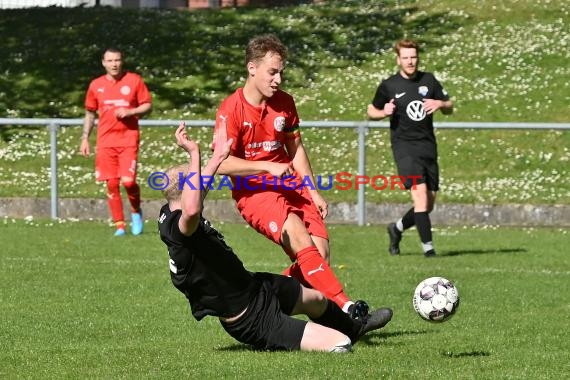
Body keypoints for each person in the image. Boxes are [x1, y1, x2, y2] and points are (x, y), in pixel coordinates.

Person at [158, 121, 393, 352]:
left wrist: (218, 157)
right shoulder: (183, 227)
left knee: (317, 299)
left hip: (258, 288)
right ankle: (300, 334)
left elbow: (196, 195)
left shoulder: (171, 212)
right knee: (339, 344)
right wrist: (194, 154)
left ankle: (355, 327)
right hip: (250, 318)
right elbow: (192, 207)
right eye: (195, 178)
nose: (201, 181)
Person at [213, 34, 368, 318]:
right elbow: (220, 164)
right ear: (252, 68)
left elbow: (296, 149)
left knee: (318, 256)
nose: (278, 79)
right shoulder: (230, 110)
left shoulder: (285, 103)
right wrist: (267, 167)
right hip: (255, 192)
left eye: (281, 72)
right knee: (298, 234)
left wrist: (313, 190)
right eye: (272, 72)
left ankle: (265, 299)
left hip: (292, 185)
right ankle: (347, 308)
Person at [367, 39, 453, 257]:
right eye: (405, 57)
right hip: (404, 148)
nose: (410, 61)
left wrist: (440, 104)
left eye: (413, 57)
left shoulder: (429, 80)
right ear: (398, 60)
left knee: (429, 203)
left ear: (418, 58)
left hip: (428, 147)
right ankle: (429, 250)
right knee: (420, 197)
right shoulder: (389, 85)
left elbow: (449, 106)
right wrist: (383, 112)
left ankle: (396, 228)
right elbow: (371, 110)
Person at [80, 47, 152, 237]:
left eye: (117, 60)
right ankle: (119, 225)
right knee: (111, 183)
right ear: (103, 63)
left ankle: (136, 211)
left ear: (122, 61)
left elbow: (147, 105)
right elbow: (89, 112)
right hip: (105, 141)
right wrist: (85, 138)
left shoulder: (134, 80)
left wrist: (131, 112)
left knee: (128, 182)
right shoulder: (96, 85)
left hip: (128, 139)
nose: (114, 64)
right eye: (110, 61)